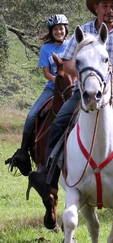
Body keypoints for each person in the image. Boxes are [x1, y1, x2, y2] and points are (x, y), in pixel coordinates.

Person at [27, 0, 113, 205]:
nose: (110, 10)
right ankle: (49, 172)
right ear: (96, 8)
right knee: (60, 121)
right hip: (86, 93)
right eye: (105, 6)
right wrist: (87, 74)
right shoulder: (84, 32)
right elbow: (68, 63)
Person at [5, 14, 69, 176]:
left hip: (70, 88)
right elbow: (46, 73)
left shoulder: (72, 46)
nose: (59, 32)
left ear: (66, 29)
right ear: (51, 31)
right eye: (55, 29)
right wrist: (58, 81)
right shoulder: (46, 49)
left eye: (61, 28)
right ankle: (23, 151)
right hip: (52, 87)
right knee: (32, 115)